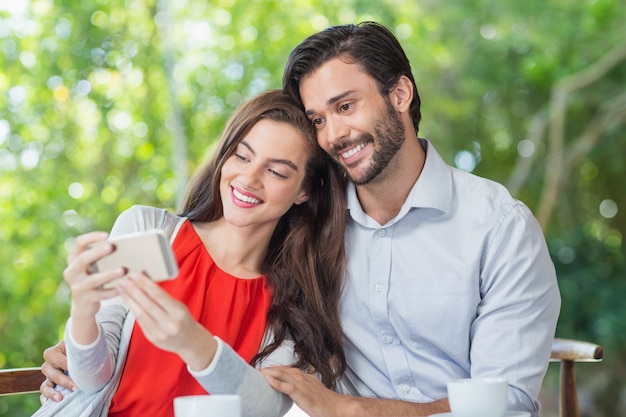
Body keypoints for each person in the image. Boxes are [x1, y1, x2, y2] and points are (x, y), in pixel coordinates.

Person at [260, 22, 561, 417]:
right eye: (318, 120)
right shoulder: (310, 228)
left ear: (400, 94)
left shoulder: (500, 226)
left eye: (346, 106)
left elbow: (502, 405)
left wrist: (350, 411)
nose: (333, 134)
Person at [33, 89, 347, 417]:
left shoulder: (295, 301)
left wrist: (192, 341)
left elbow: (265, 409)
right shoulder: (147, 229)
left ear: (305, 191)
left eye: (277, 172)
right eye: (242, 156)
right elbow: (92, 378)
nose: (249, 178)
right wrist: (83, 309)